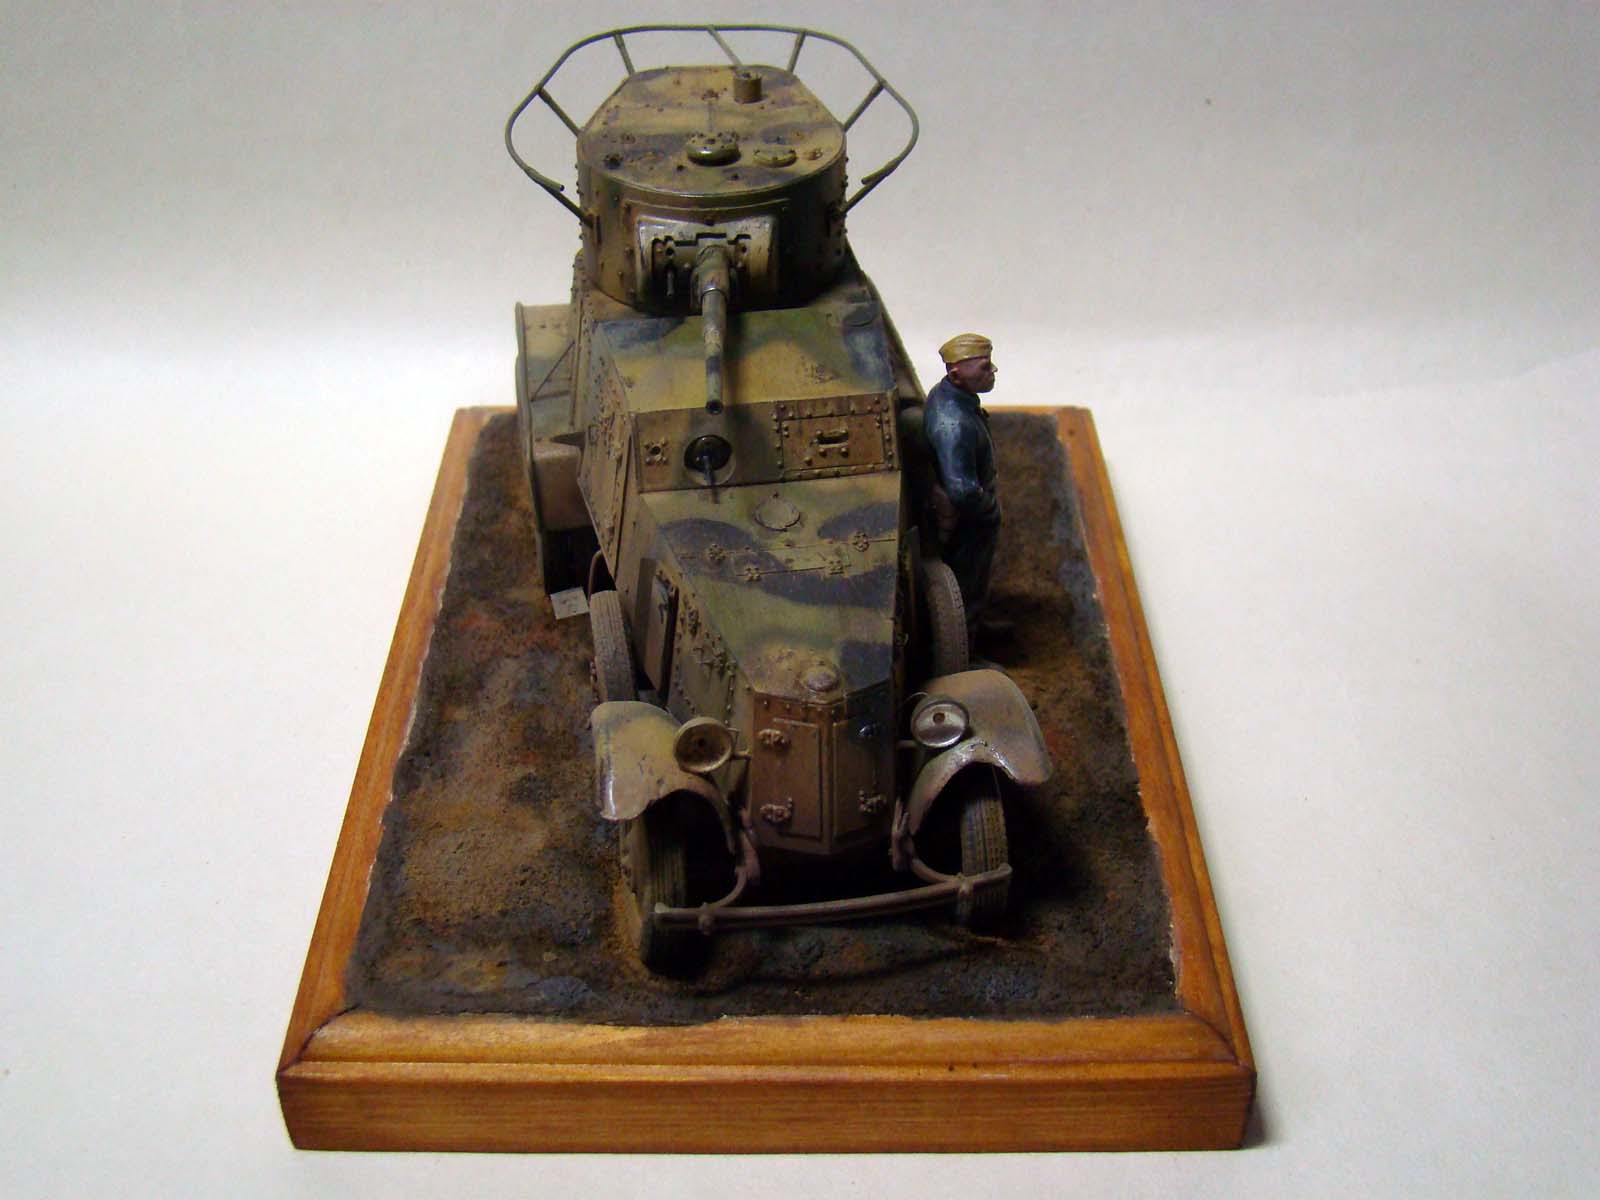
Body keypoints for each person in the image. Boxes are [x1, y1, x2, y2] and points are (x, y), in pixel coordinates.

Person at [924, 333, 1009, 642]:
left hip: (966, 512)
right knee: (966, 583)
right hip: (967, 520)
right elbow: (962, 491)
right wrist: (991, 509)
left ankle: (975, 625)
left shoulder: (952, 398)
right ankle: (967, 648)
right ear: (957, 375)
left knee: (974, 580)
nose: (993, 370)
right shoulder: (954, 424)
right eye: (985, 366)